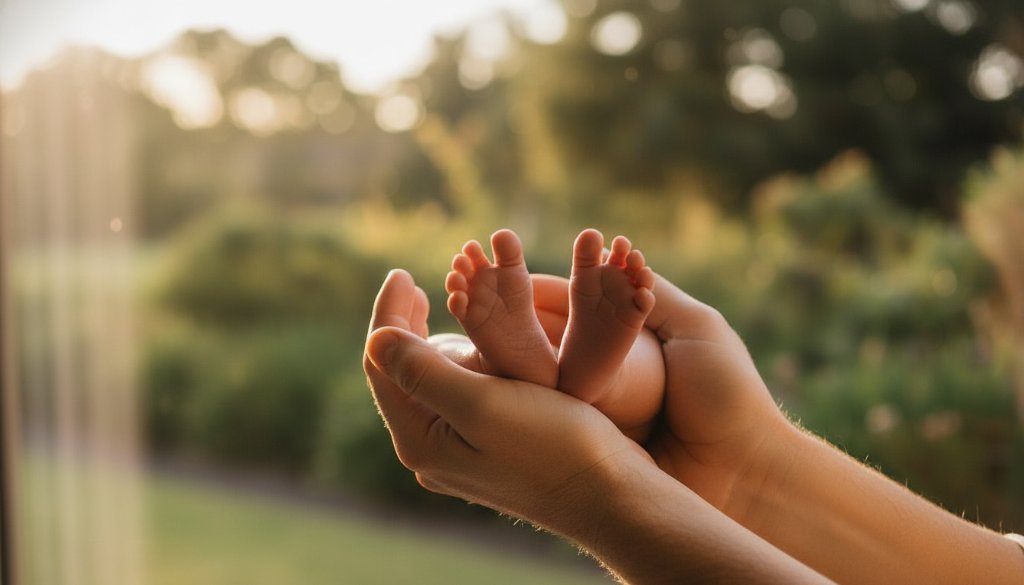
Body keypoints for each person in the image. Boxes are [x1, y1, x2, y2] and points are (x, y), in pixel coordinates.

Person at [363, 235, 1024, 584]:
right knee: (653, 383)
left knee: (641, 381)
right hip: (681, 424)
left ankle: (575, 368)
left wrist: (604, 497)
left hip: (666, 431)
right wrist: (749, 460)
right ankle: (590, 370)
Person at [444, 228, 663, 441]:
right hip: (638, 420)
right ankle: (610, 381)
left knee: (440, 346)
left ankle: (490, 366)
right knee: (645, 354)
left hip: (537, 383)